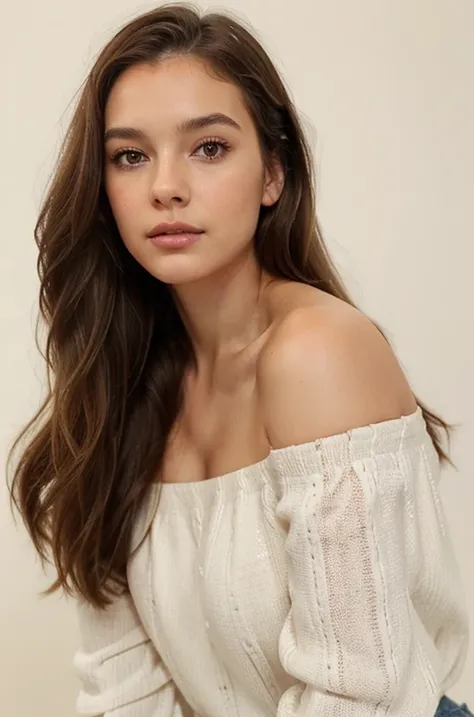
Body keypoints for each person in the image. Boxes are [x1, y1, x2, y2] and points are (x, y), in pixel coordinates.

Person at [7, 3, 471, 716]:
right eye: (130, 155)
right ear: (103, 192)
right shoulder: (123, 381)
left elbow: (359, 694)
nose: (166, 185)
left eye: (209, 148)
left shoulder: (318, 353)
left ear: (272, 177)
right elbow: (121, 684)